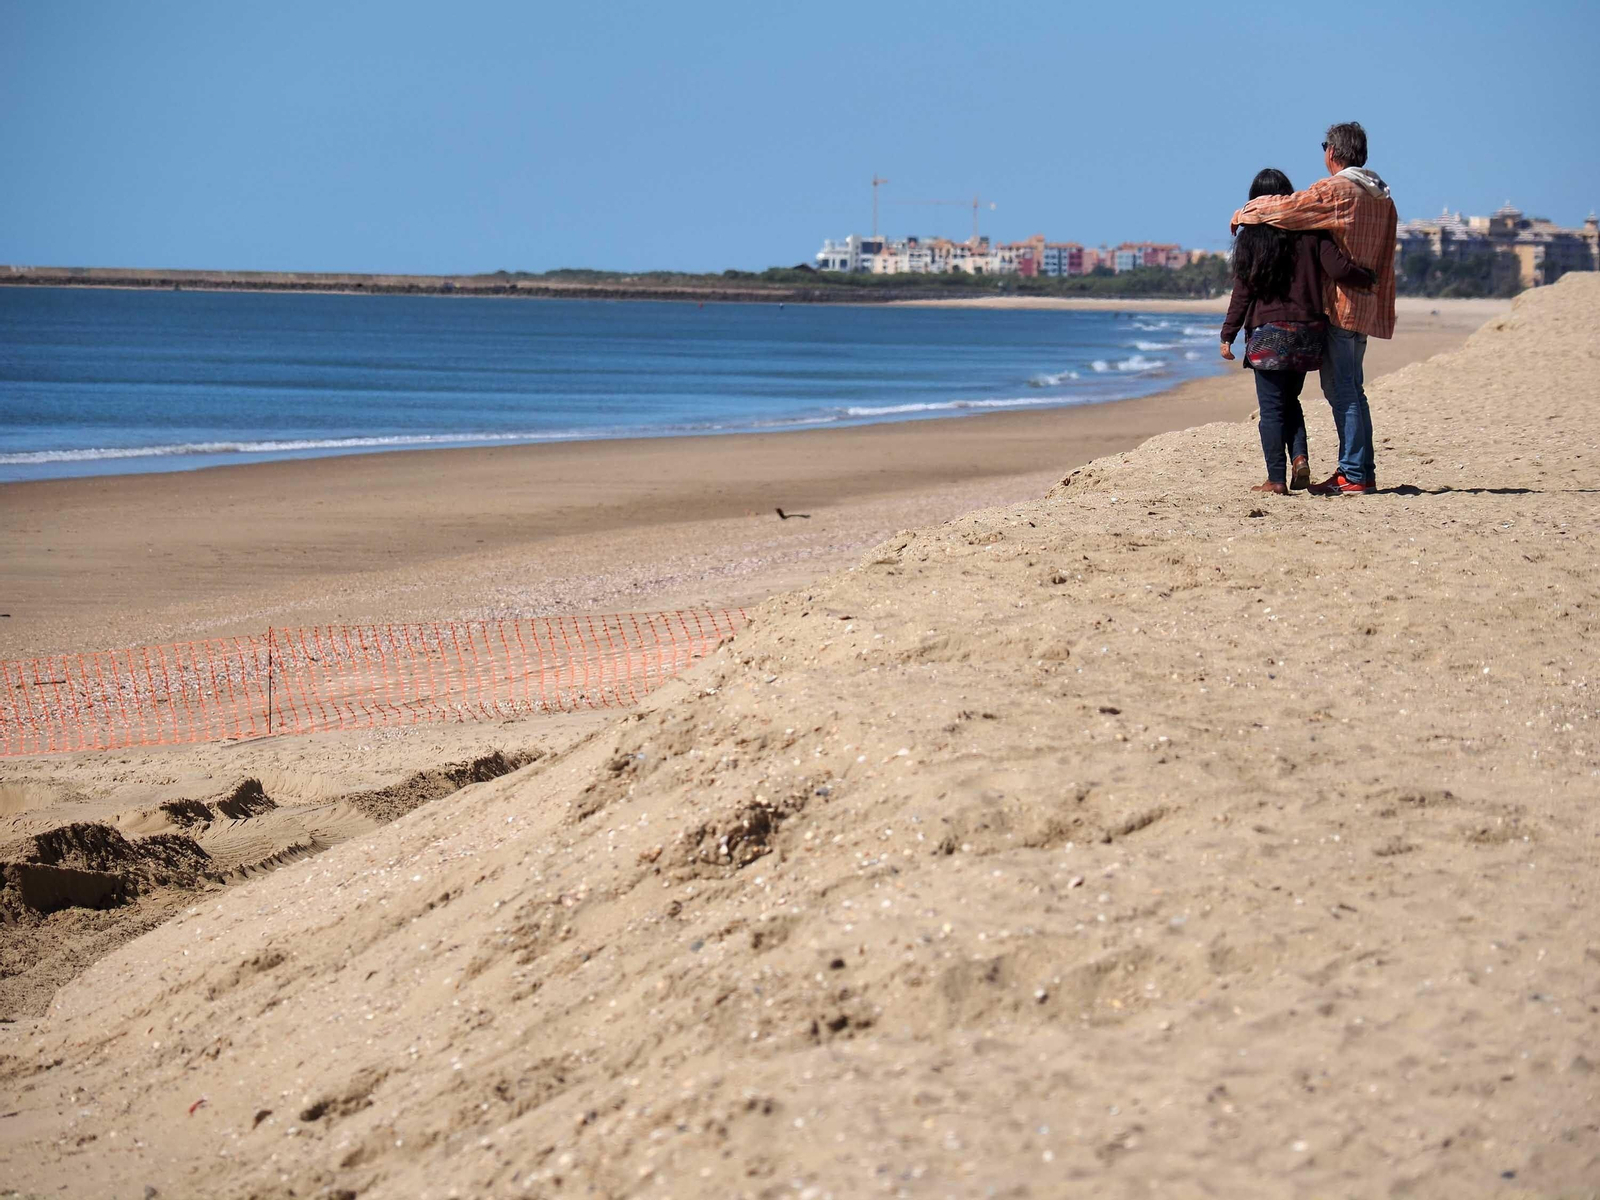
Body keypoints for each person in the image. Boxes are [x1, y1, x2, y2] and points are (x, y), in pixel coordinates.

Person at [1231, 122, 1397, 496]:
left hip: (1339, 305)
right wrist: (1372, 283)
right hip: (1368, 303)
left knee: (1342, 390)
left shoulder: (1336, 191)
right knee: (1354, 388)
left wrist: (1245, 213)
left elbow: (1288, 208)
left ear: (1333, 152)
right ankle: (1362, 470)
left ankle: (1353, 473)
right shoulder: (1383, 197)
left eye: (1324, 146)